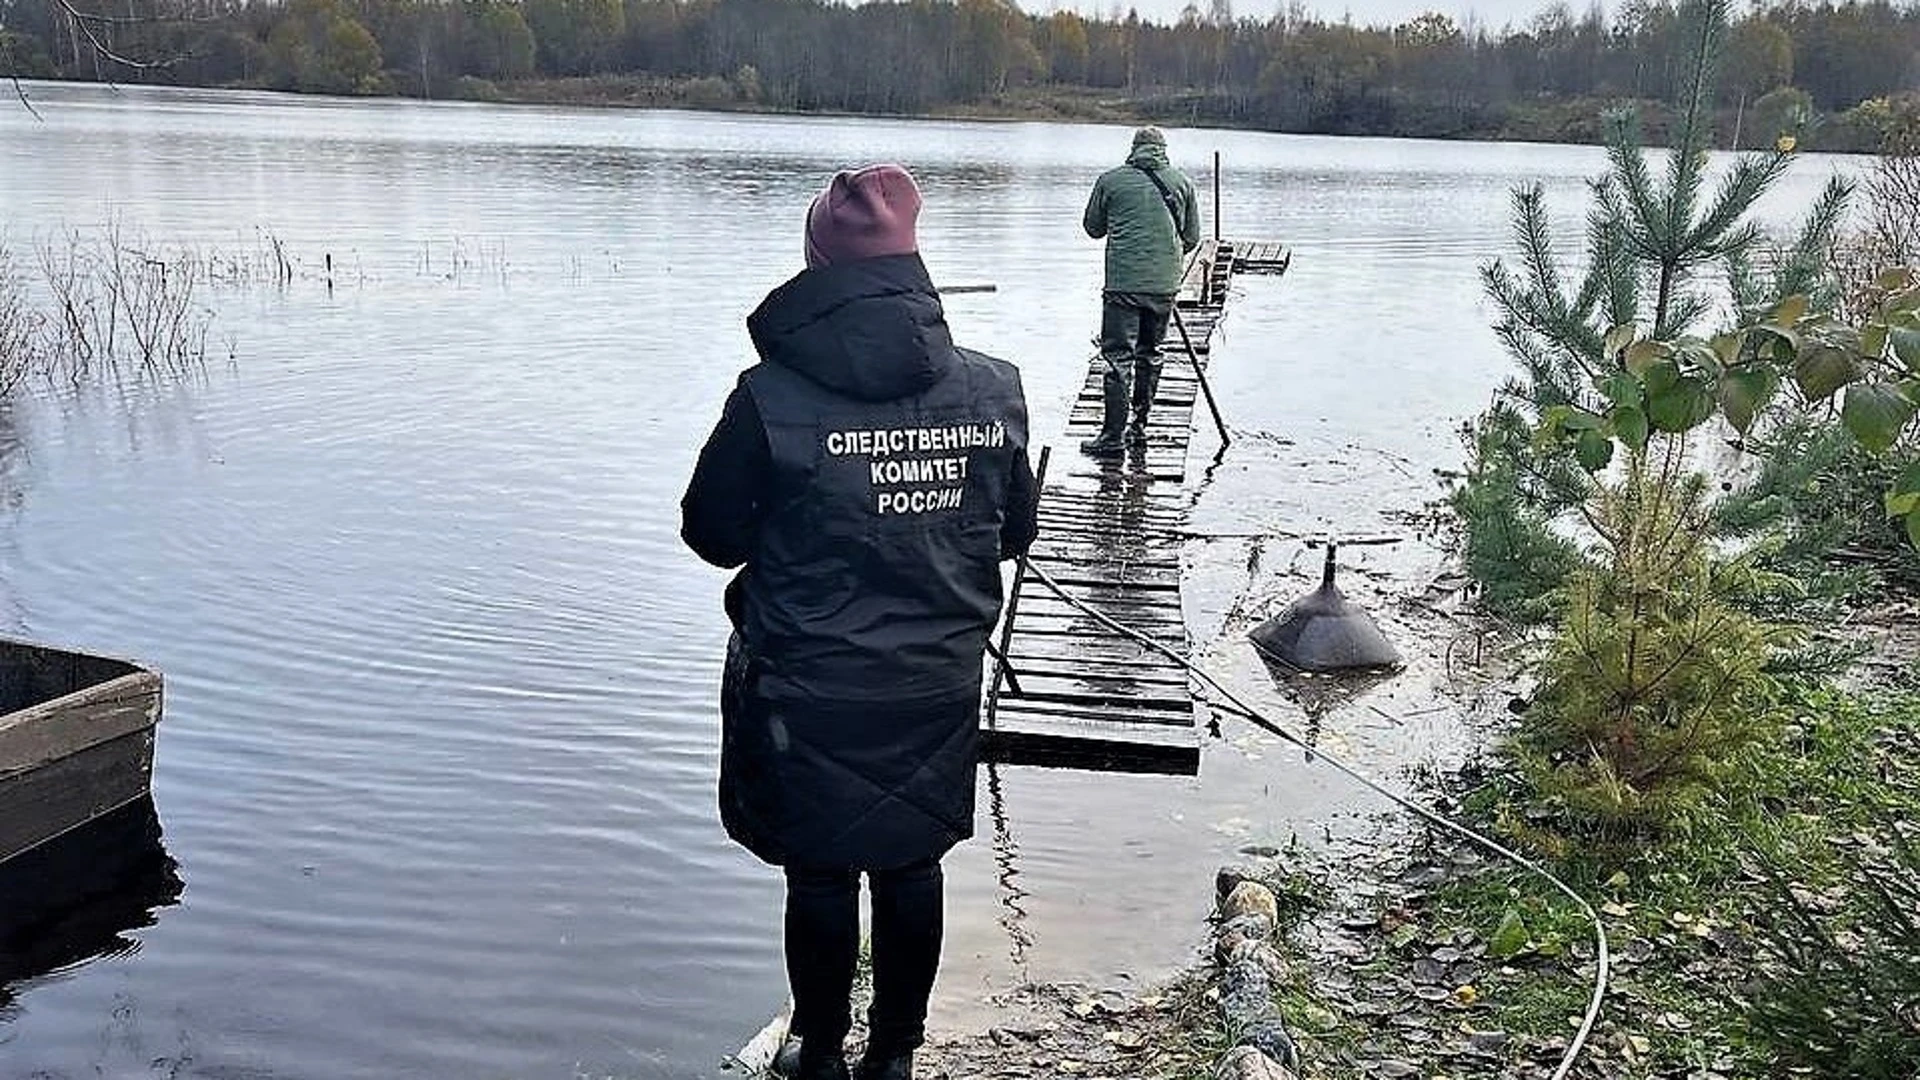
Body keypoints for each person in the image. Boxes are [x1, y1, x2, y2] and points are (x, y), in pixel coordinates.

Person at [681, 164, 1039, 1080]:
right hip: (936, 678)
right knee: (914, 864)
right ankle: (896, 1059)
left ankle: (820, 1055)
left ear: (816, 266)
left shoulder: (769, 399)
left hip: (811, 685)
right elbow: (1014, 533)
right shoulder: (994, 391)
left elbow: (712, 536)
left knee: (822, 872)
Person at [1079, 126, 1202, 457]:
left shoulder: (1110, 180)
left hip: (1122, 285)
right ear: (1164, 150)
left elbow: (1093, 228)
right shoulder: (1183, 183)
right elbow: (1191, 238)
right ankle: (1139, 428)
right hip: (1164, 286)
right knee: (1151, 352)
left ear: (1134, 149)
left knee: (1118, 357)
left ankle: (1112, 437)